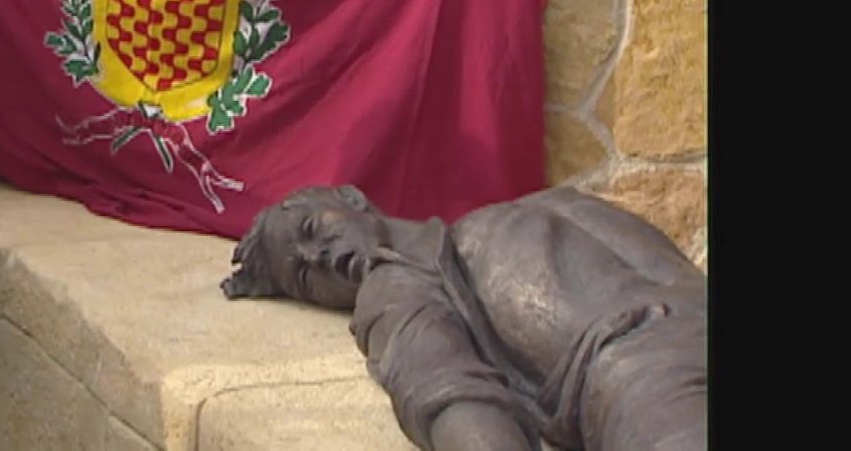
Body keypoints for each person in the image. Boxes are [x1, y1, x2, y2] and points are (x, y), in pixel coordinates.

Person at [221, 185, 706, 451]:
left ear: (351, 198)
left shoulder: (538, 205)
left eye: (312, 229)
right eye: (304, 275)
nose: (319, 255)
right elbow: (449, 394)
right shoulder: (397, 288)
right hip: (647, 381)